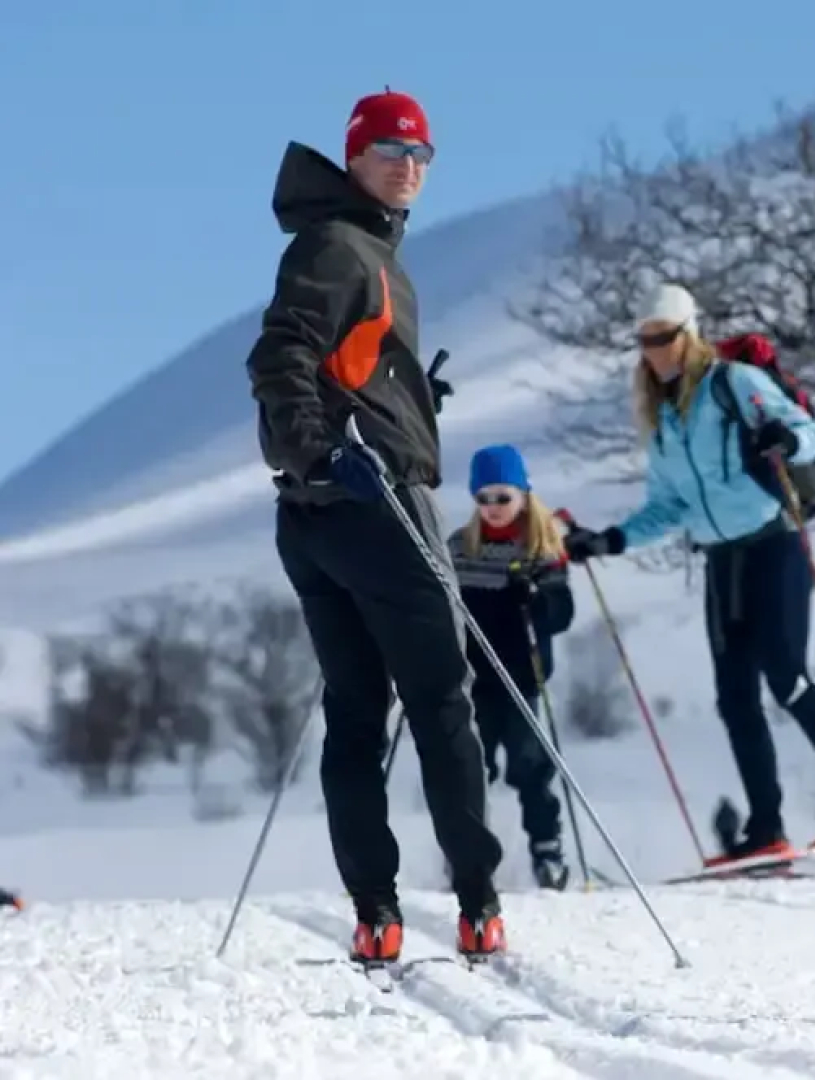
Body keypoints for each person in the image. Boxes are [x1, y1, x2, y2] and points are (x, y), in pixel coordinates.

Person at [244, 88, 506, 962]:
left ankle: (376, 916)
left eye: (421, 153)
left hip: (317, 517)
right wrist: (318, 453)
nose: (407, 164)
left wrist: (406, 397)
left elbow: (333, 361)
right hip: (367, 508)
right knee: (439, 703)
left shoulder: (359, 247)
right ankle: (477, 903)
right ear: (353, 156)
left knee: (356, 710)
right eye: (389, 148)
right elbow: (280, 355)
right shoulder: (340, 246)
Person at [561, 283, 815, 866]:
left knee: (785, 678)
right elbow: (667, 506)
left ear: (688, 335)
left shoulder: (734, 384)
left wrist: (785, 437)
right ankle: (767, 829)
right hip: (721, 561)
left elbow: (812, 434)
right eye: (645, 341)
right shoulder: (664, 421)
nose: (654, 351)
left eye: (663, 338)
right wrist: (608, 539)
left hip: (772, 546)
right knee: (735, 699)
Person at [448, 445, 576, 891]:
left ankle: (547, 850)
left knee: (529, 766)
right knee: (469, 768)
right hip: (471, 678)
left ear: (523, 494)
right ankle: (468, 858)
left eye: (502, 497)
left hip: (523, 675)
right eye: (483, 499)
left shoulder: (543, 547)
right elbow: (440, 604)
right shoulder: (461, 549)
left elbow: (562, 613)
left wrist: (536, 599)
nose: (493, 509)